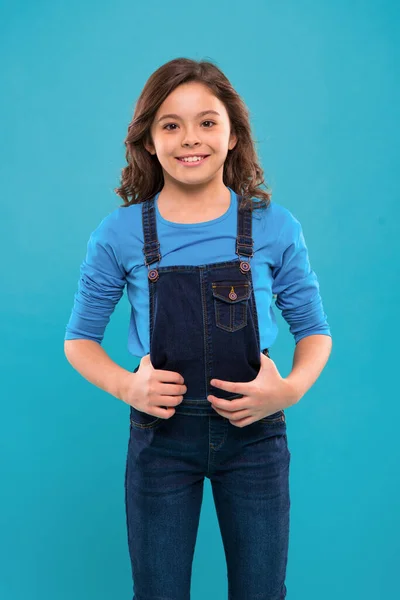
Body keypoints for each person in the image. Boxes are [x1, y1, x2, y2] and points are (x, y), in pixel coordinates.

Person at [64, 57, 332, 600]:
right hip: (161, 440)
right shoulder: (118, 234)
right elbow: (79, 342)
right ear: (148, 140)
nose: (191, 139)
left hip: (254, 439)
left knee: (261, 591)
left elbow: (314, 329)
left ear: (233, 135)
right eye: (171, 124)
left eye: (208, 122)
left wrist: (290, 389)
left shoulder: (274, 227)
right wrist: (126, 386)